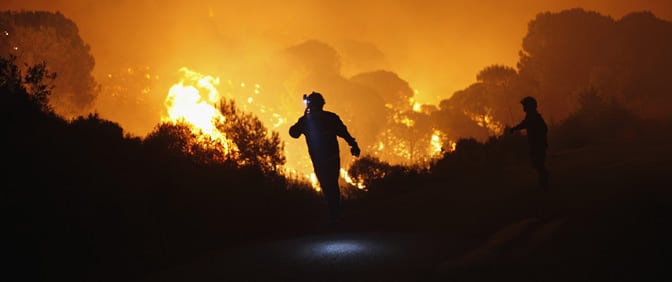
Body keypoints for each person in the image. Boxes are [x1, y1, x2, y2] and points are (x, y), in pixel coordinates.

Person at [289, 91, 360, 223]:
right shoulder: (331, 117)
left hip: (318, 159)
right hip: (332, 156)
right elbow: (344, 133)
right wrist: (353, 145)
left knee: (326, 185)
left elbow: (293, 133)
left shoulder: (305, 121)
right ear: (322, 104)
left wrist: (305, 115)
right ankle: (336, 211)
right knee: (333, 183)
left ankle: (334, 212)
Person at [510, 96, 549, 188]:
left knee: (538, 164)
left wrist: (514, 128)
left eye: (524, 105)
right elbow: (525, 124)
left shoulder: (533, 117)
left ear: (529, 106)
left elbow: (527, 125)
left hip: (537, 145)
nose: (523, 107)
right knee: (537, 164)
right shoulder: (532, 116)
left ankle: (544, 181)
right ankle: (544, 181)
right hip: (537, 144)